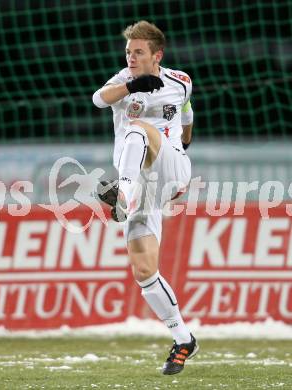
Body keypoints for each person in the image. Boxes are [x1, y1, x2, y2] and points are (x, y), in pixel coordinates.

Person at [92, 20, 198, 375]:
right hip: (144, 191)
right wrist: (131, 86)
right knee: (144, 271)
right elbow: (98, 99)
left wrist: (183, 143)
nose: (131, 57)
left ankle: (121, 195)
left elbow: (186, 113)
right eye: (128, 52)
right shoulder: (123, 81)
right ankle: (183, 338)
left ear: (157, 55)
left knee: (139, 128)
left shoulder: (180, 81)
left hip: (168, 171)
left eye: (138, 52)